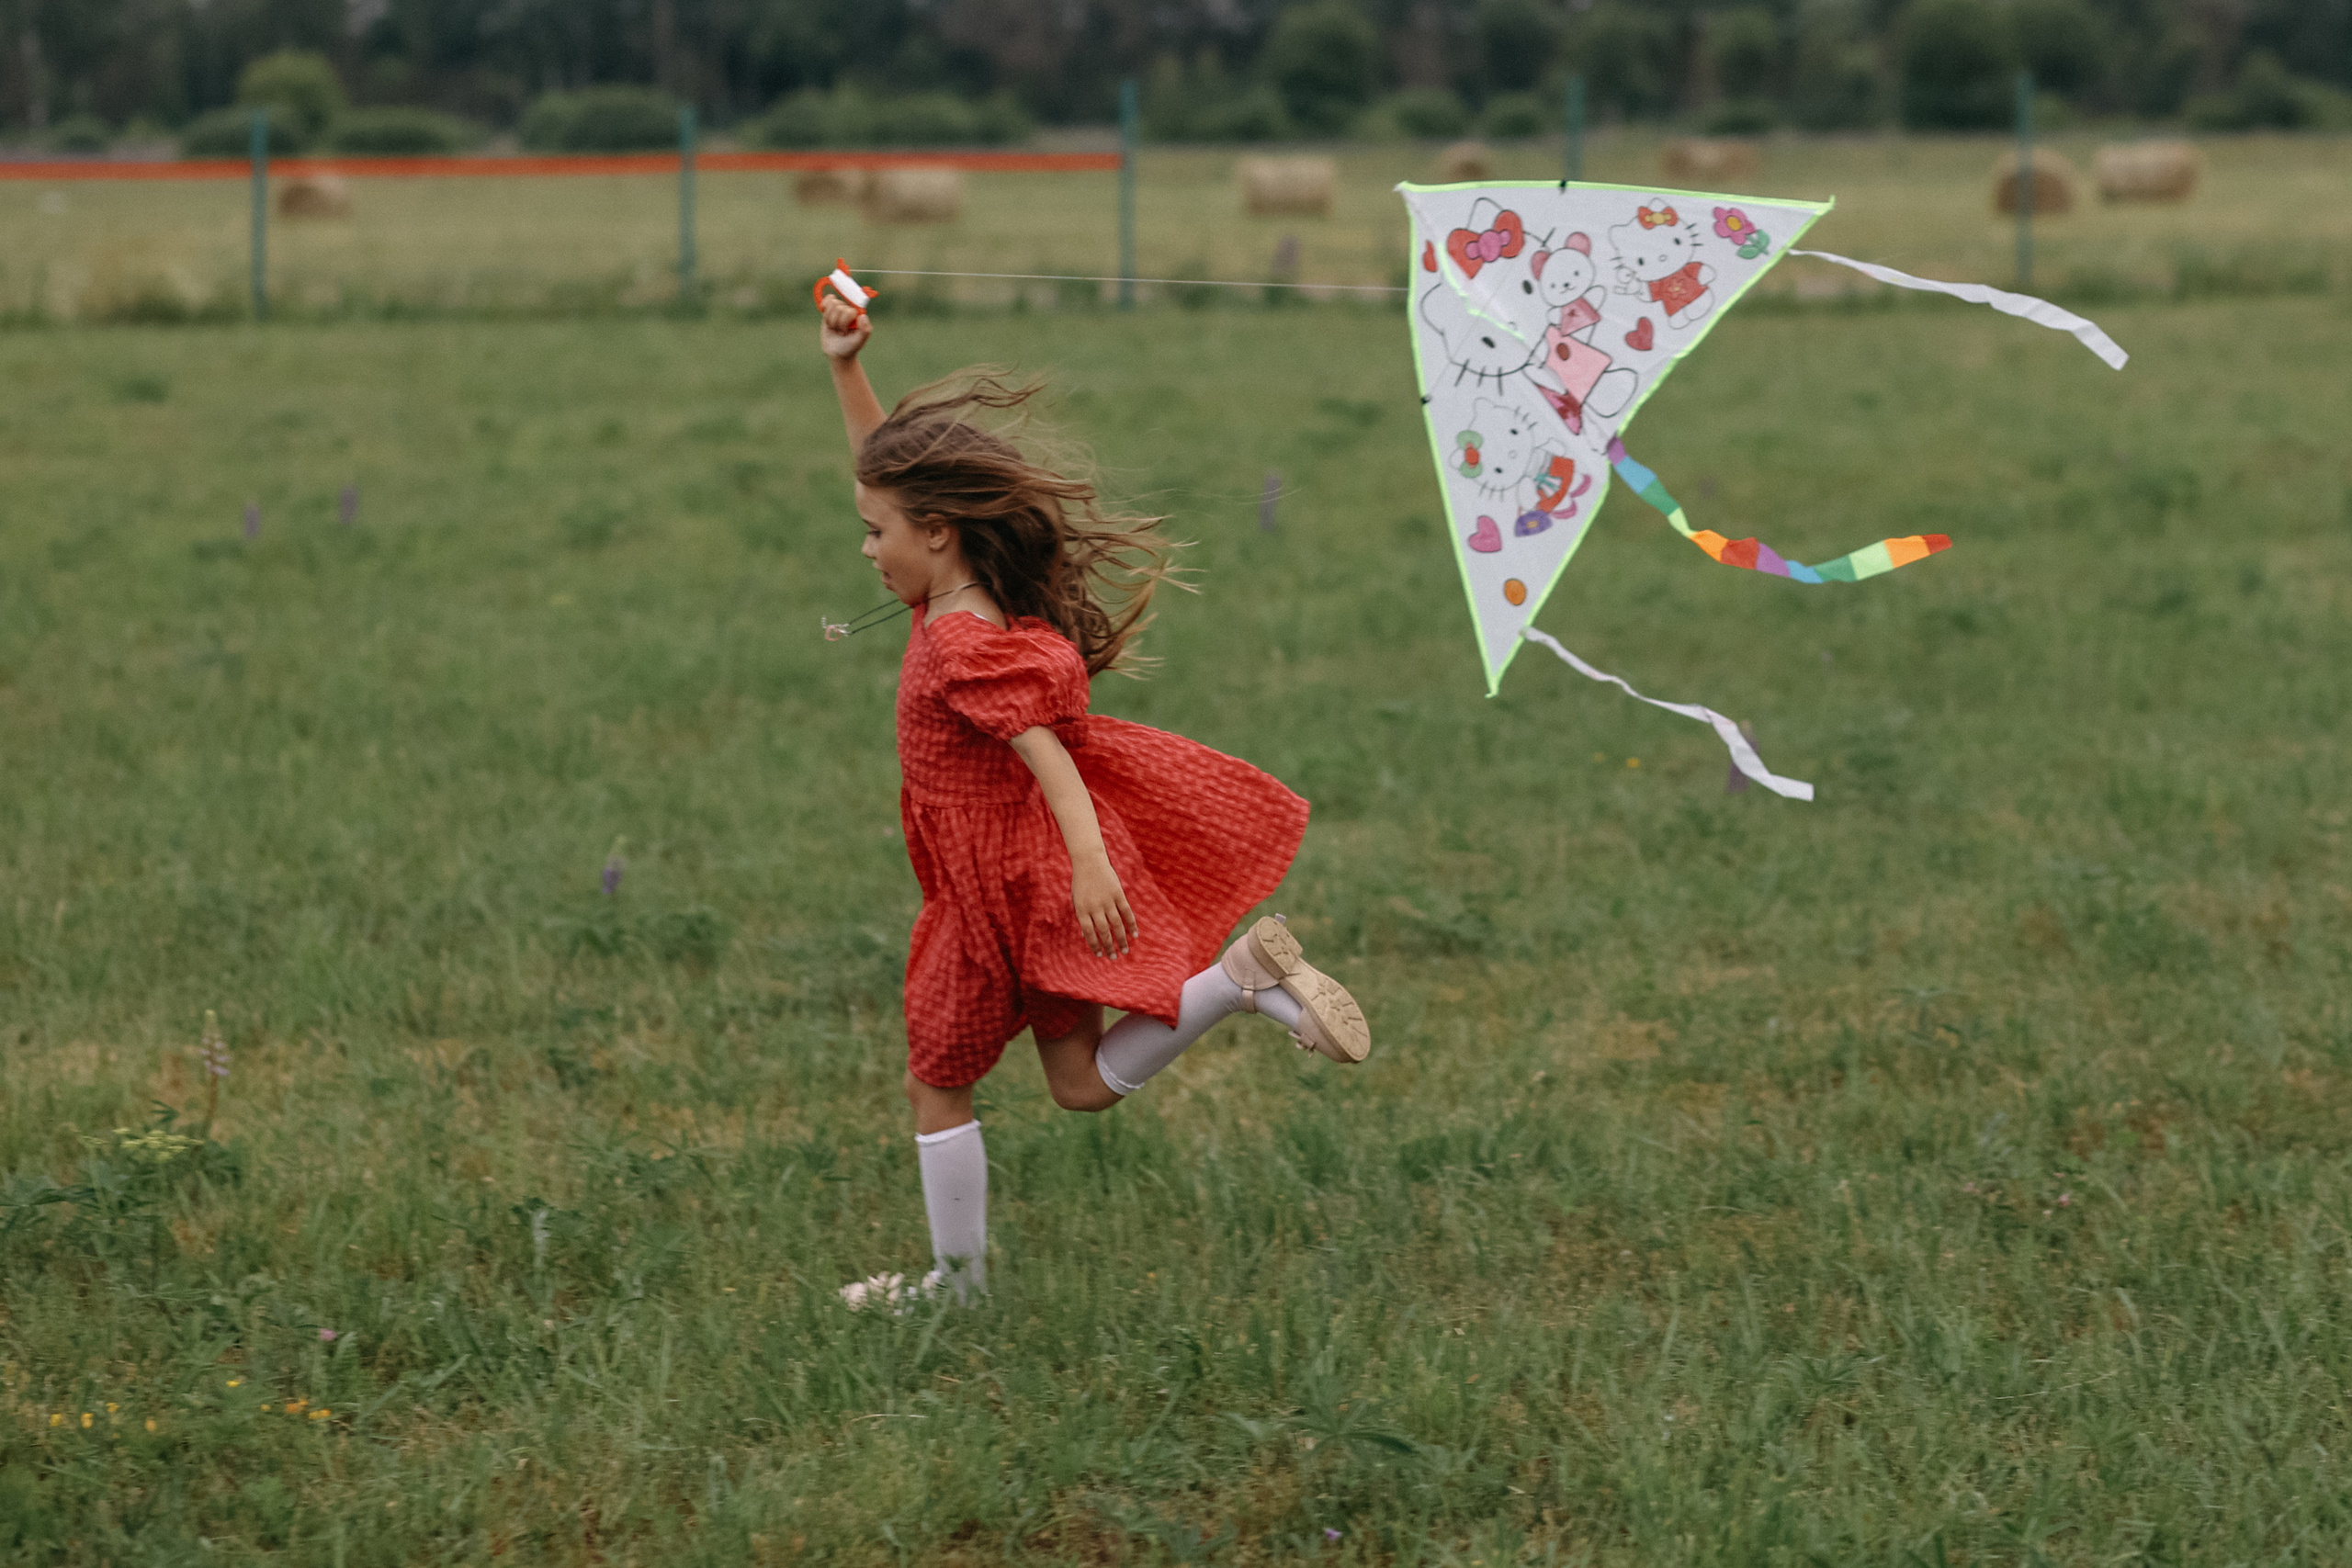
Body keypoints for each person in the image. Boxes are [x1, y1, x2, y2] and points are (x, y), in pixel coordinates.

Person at [816, 289, 1370, 1308]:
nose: (865, 549)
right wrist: (846, 368)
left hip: (995, 892)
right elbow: (889, 480)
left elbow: (1044, 753)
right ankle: (1240, 980)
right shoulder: (962, 593)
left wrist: (1087, 859)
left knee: (937, 1078)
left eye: (873, 533)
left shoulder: (958, 638)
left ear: (936, 535)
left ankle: (957, 1288)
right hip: (1020, 875)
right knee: (1076, 1087)